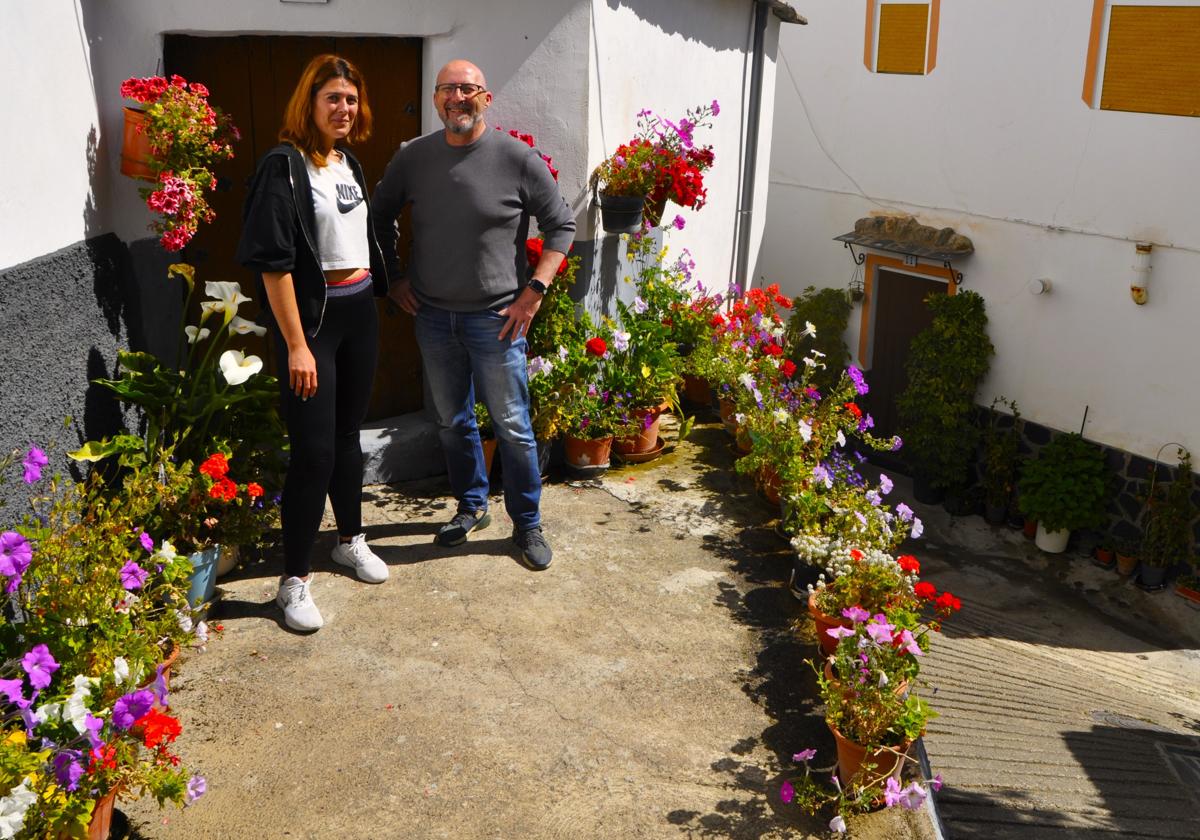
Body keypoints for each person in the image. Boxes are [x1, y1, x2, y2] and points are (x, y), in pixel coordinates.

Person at [372, 59, 575, 571]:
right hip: (434, 316)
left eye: (468, 89)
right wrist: (392, 278)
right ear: (436, 99)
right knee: (451, 422)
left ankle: (527, 526)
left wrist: (534, 291)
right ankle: (471, 506)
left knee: (513, 426)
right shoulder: (414, 158)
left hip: (497, 319)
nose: (457, 98)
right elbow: (377, 216)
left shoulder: (517, 157)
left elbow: (562, 226)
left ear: (485, 97)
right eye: (447, 90)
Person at [237, 54, 391, 632]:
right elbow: (274, 267)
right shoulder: (283, 166)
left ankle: (349, 540)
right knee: (314, 452)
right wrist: (297, 345)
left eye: (351, 99)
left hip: (359, 314)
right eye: (333, 98)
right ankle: (292, 581)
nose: (344, 109)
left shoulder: (347, 162)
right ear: (310, 102)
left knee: (350, 440)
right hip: (313, 323)